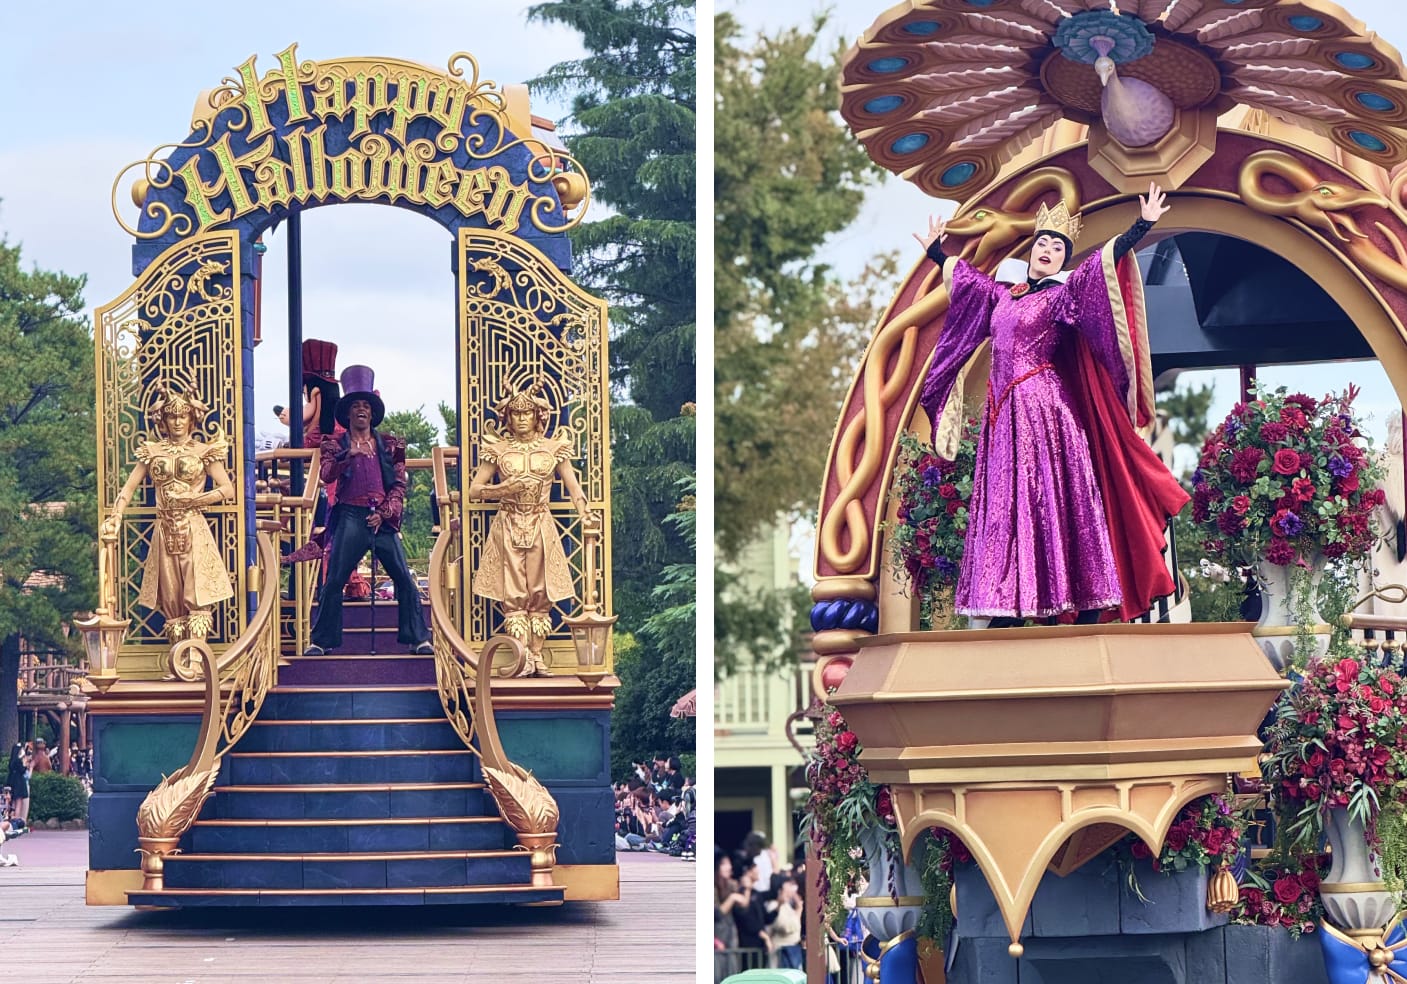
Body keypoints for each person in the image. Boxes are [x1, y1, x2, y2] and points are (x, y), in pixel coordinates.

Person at [915, 183, 1188, 625]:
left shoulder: (1062, 295)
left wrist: (1141, 227)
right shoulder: (1002, 294)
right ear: (1032, 250)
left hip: (1045, 412)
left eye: (1057, 247)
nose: (1048, 250)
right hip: (1003, 416)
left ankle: (1085, 597)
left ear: (1064, 258)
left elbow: (1099, 270)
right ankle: (1009, 603)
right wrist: (936, 253)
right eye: (1042, 242)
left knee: (1054, 502)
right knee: (1008, 505)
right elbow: (965, 282)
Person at [469, 377, 594, 677]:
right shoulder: (498, 450)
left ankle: (537, 655)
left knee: (541, 590)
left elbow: (574, 487)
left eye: (527, 413)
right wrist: (504, 489)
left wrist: (586, 513)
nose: (522, 418)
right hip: (508, 521)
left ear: (538, 416)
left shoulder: (553, 449)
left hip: (540, 520)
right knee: (512, 592)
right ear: (508, 418)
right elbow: (475, 490)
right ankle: (520, 655)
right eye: (516, 413)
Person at [305, 366, 432, 657]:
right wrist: (347, 456)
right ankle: (321, 641)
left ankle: (419, 639)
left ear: (372, 414)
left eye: (365, 406)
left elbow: (399, 484)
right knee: (335, 579)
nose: (361, 410)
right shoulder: (334, 444)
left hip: (381, 519)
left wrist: (386, 512)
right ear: (347, 413)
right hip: (351, 515)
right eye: (355, 406)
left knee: (402, 576)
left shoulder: (391, 444)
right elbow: (326, 474)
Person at [102, 385, 236, 649]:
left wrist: (194, 499)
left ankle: (196, 657)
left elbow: (227, 488)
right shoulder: (152, 451)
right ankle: (178, 658)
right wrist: (116, 515)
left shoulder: (202, 451)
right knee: (170, 594)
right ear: (162, 420)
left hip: (193, 525)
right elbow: (127, 489)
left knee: (197, 589)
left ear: (191, 418)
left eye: (182, 416)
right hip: (164, 527)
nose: (177, 422)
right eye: (171, 416)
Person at [768, 877, 805, 969]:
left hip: (793, 951)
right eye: (788, 886)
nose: (791, 889)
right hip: (781, 953)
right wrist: (799, 909)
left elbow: (796, 926)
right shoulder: (774, 905)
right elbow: (786, 927)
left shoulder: (788, 906)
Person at [5, 745, 30, 826]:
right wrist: (25, 764)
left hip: (12, 782)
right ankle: (16, 820)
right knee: (19, 802)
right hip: (19, 783)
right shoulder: (19, 761)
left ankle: (11, 818)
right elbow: (22, 770)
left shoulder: (12, 761)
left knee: (12, 803)